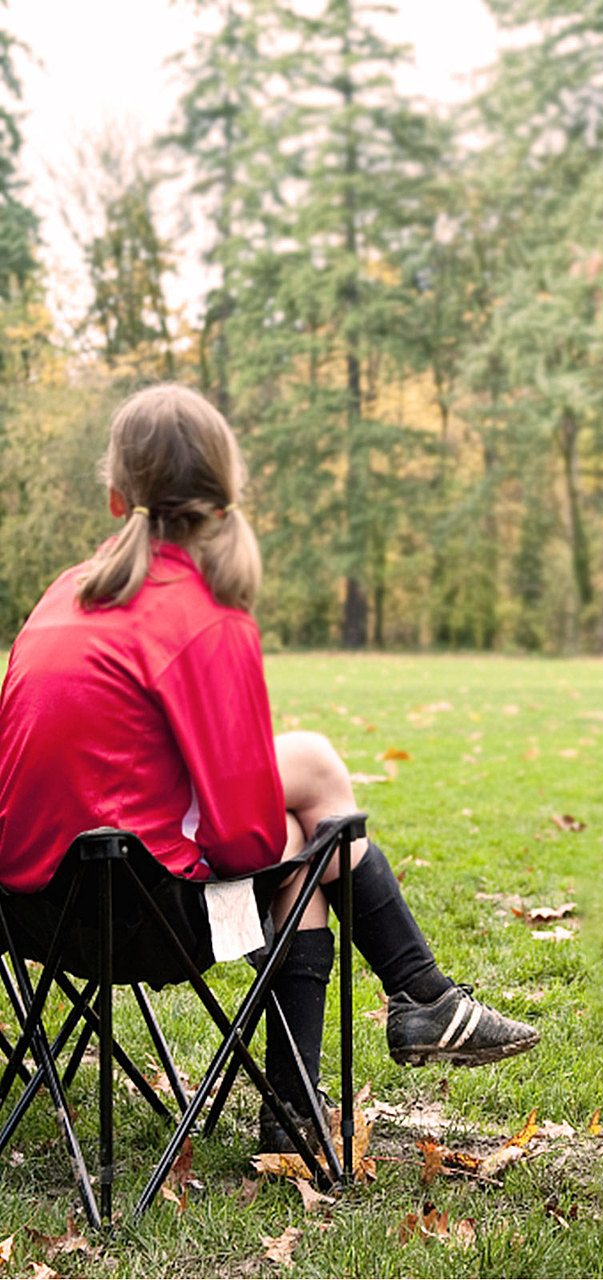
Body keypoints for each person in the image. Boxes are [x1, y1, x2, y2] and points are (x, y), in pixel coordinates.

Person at [0, 384, 538, 1152]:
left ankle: (403, 1016)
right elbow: (244, 845)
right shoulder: (207, 616)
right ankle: (392, 1021)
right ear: (226, 498)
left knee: (300, 819)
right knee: (303, 828)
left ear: (117, 497)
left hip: (31, 920)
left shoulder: (63, 595)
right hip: (146, 929)